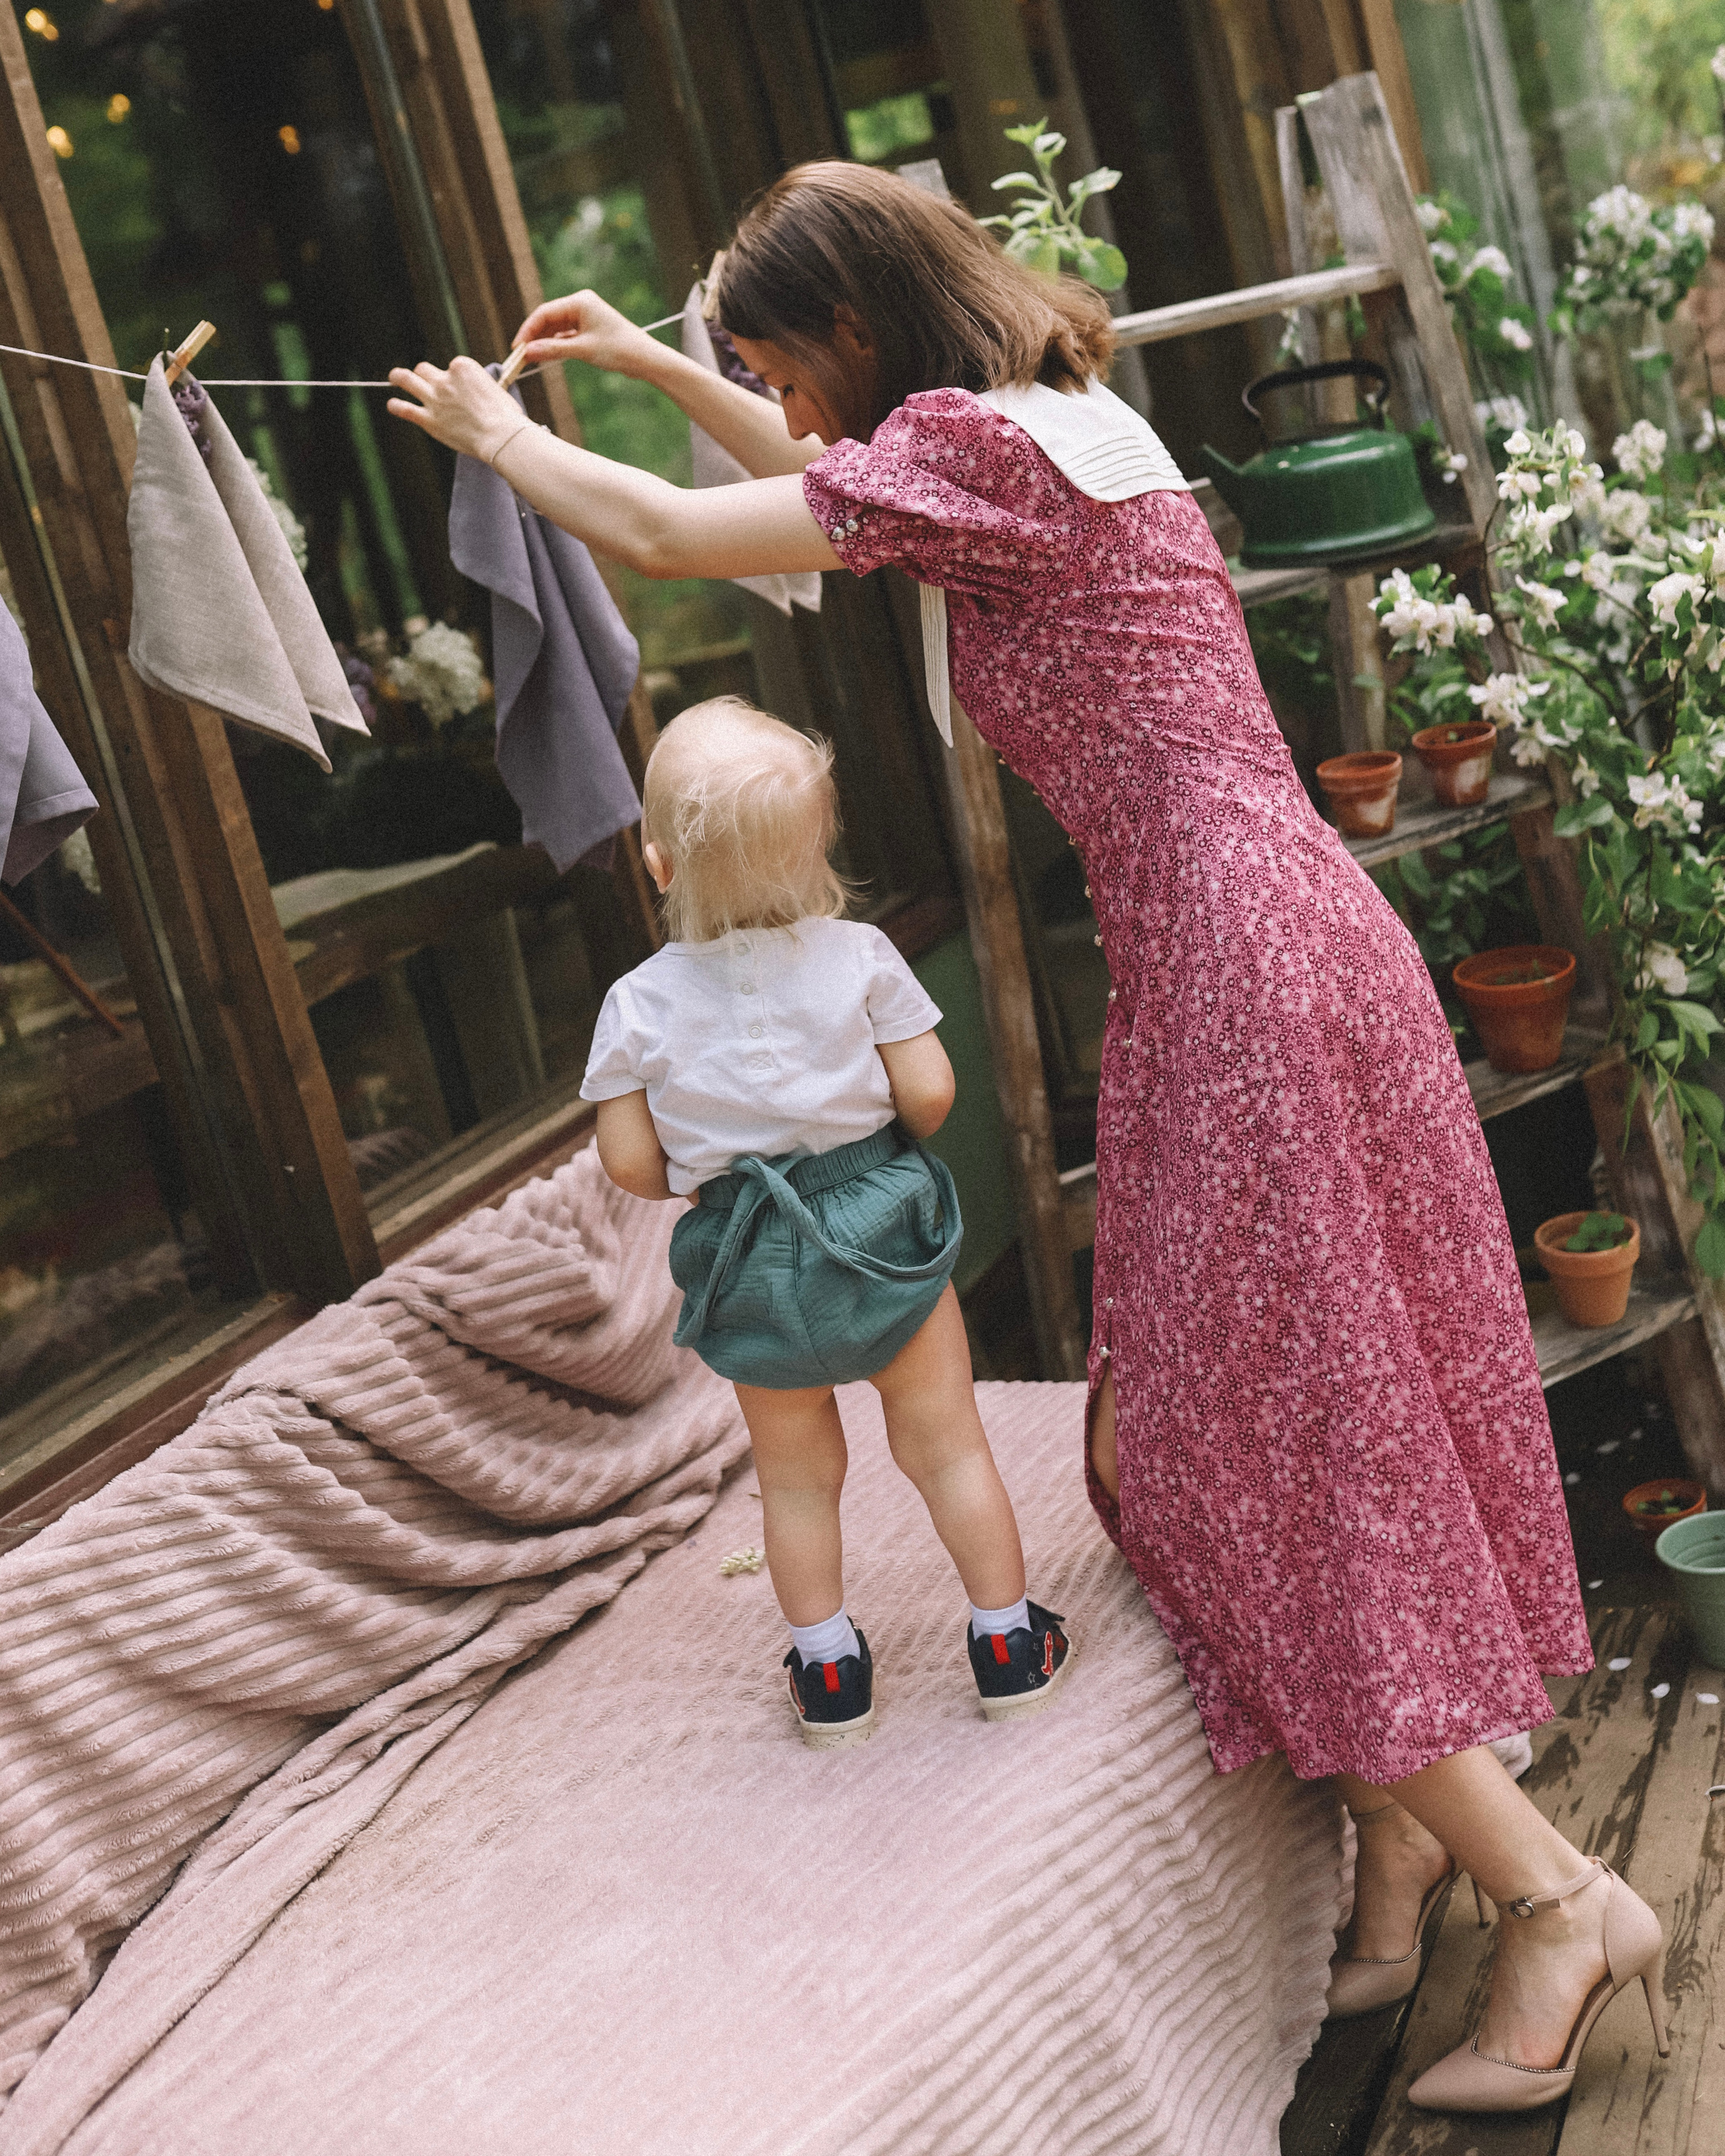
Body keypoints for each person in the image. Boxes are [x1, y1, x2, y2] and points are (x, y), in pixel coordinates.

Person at [388, 161, 1663, 2111]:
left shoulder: (973, 452)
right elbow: (812, 524)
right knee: (1221, 1440)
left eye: (773, 360)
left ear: (863, 329)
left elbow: (674, 538)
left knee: (1230, 1462)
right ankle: (1408, 1829)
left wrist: (492, 429)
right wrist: (656, 362)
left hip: (1238, 977)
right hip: (1288, 943)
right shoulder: (1065, 420)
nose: (778, 402)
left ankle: (1556, 1894)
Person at [576, 695, 1073, 1748]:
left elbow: (629, 1164)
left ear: (659, 866)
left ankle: (832, 1671)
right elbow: (932, 1098)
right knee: (947, 1449)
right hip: (881, 1231)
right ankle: (1006, 1644)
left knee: (796, 1481)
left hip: (750, 1248)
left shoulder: (636, 1004)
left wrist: (726, 1161)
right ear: (820, 844)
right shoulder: (863, 957)